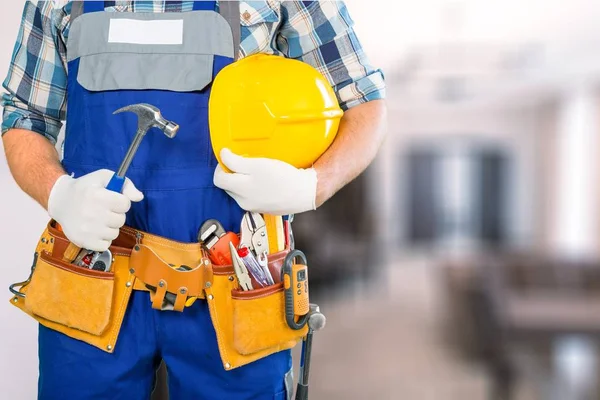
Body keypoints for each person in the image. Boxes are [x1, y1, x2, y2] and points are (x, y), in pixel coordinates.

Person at [1, 1, 387, 398]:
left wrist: (313, 185)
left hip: (232, 283)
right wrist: (59, 193)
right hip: (90, 279)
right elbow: (21, 114)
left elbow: (364, 102)